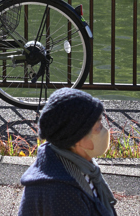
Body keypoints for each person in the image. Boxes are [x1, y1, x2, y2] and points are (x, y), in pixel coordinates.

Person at [19, 88, 117, 216]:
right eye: (98, 127)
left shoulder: (75, 163)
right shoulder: (62, 192)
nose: (105, 131)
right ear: (77, 138)